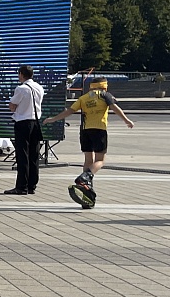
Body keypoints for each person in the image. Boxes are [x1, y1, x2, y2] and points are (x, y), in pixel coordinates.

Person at [42, 78, 135, 209]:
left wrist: (53, 119)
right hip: (99, 129)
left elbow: (70, 111)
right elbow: (115, 107)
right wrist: (127, 120)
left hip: (85, 131)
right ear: (104, 86)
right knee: (100, 160)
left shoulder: (84, 97)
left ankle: (85, 189)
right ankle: (85, 177)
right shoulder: (104, 95)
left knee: (88, 159)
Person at [5, 65, 44, 195]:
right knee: (34, 154)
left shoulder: (21, 89)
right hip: (36, 122)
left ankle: (21, 186)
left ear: (21, 74)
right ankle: (32, 185)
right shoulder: (39, 87)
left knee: (23, 155)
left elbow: (12, 106)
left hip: (23, 123)